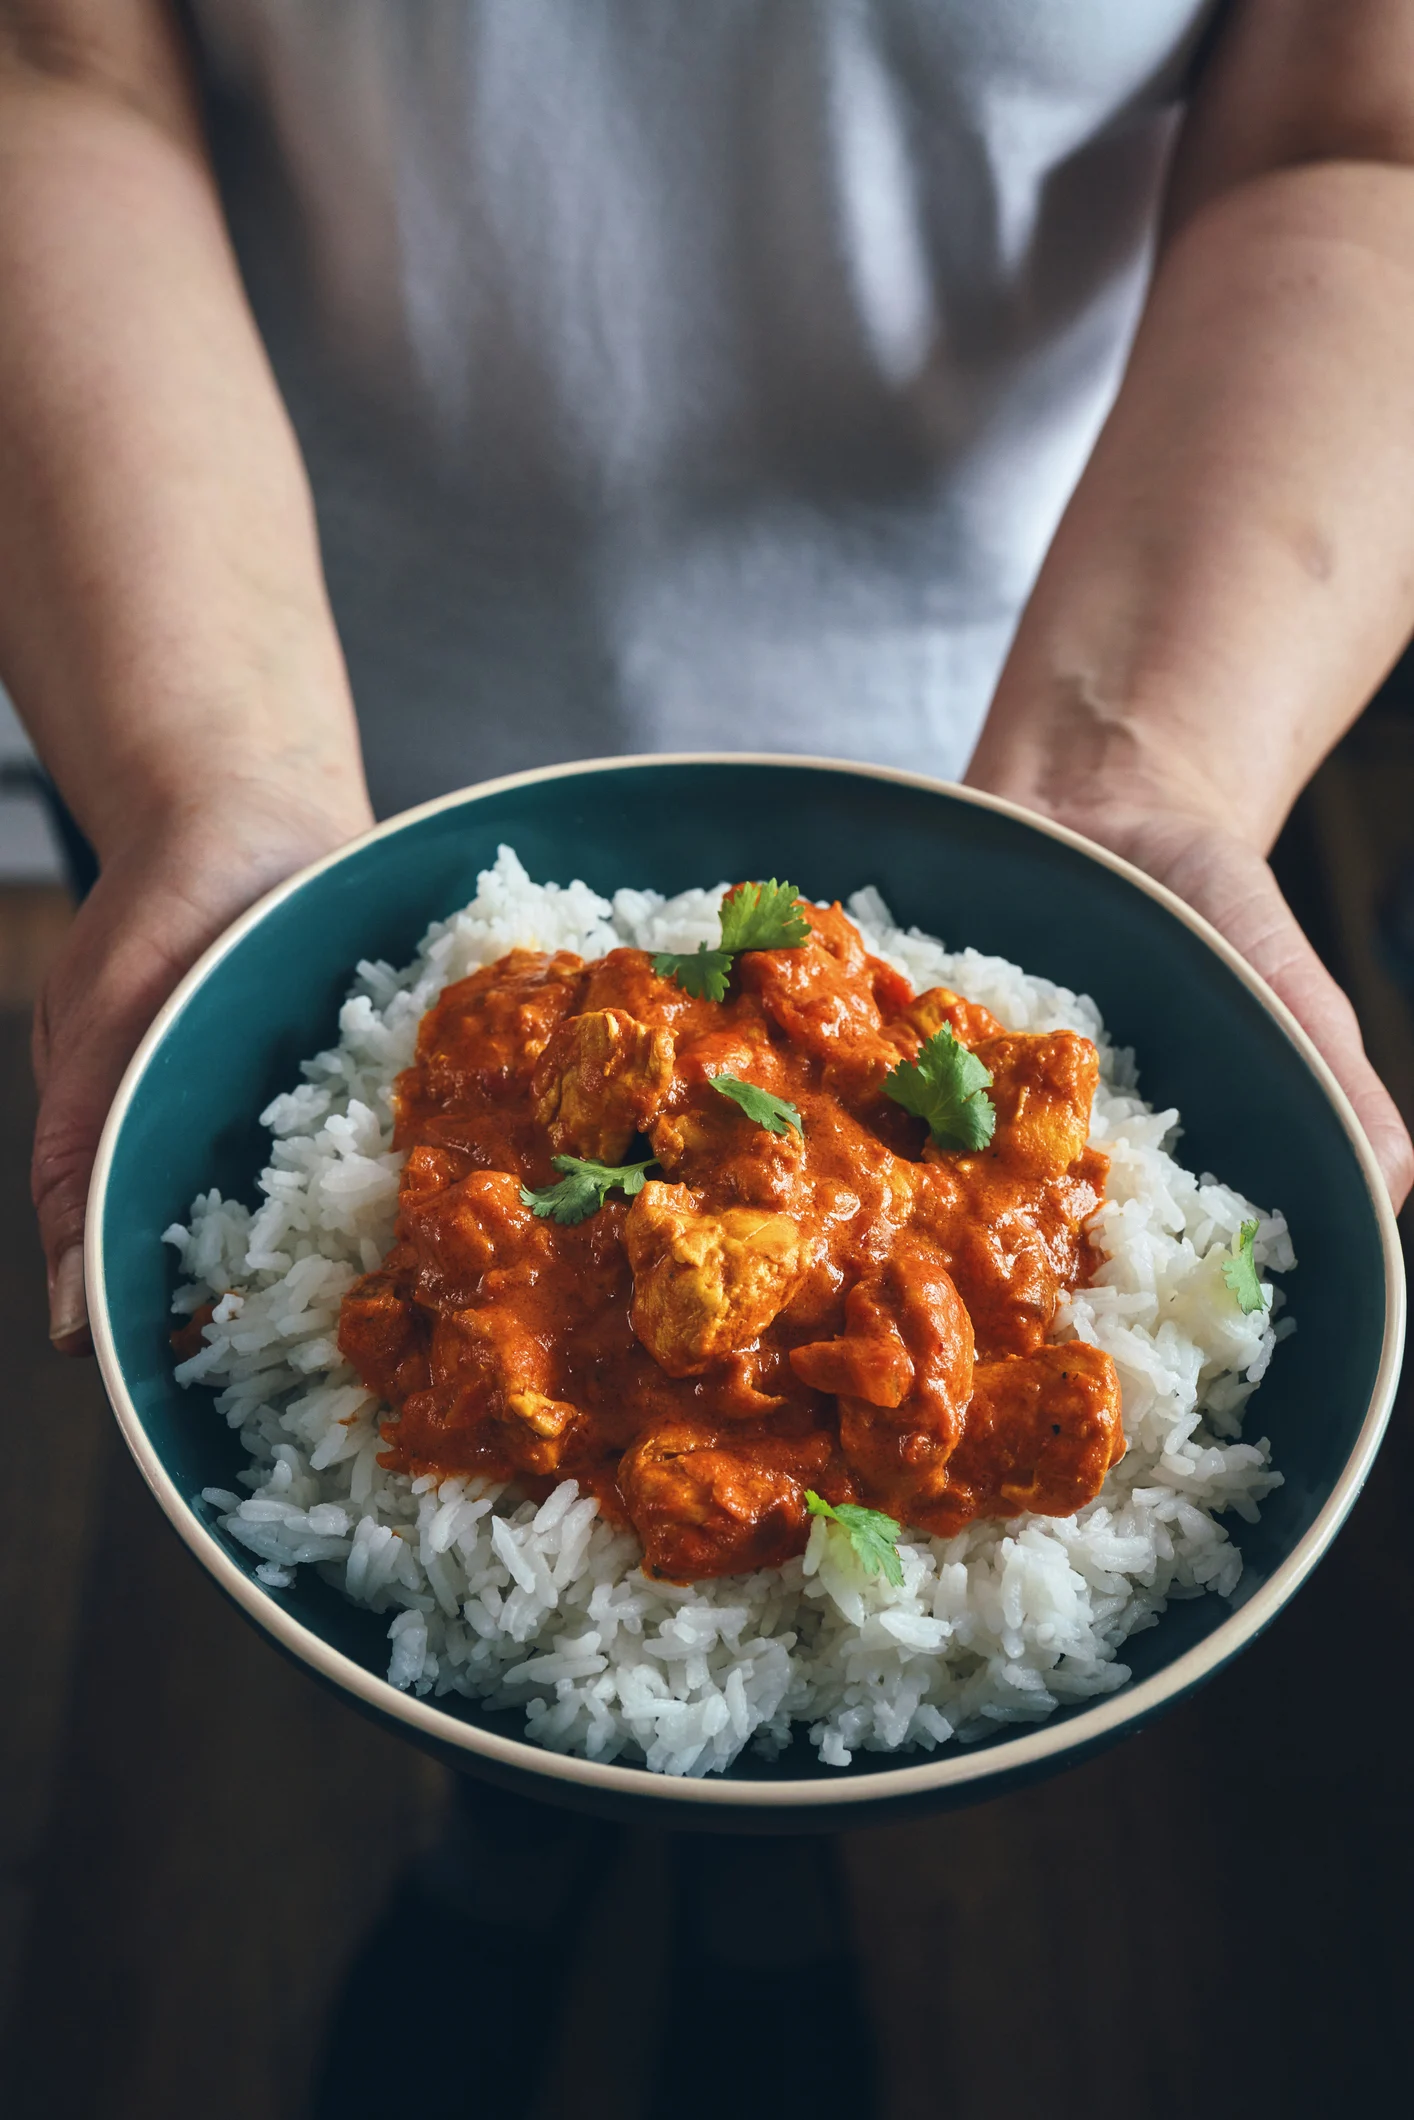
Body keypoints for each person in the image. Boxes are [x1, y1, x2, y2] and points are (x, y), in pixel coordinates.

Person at [2, 1, 1412, 2113]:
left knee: (784, 1648)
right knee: (502, 1626)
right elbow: (51, 60)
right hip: (302, 648)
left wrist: (1138, 775)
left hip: (1068, 649)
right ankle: (511, 1841)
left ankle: (767, 1885)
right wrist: (213, 765)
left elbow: (1356, 122)